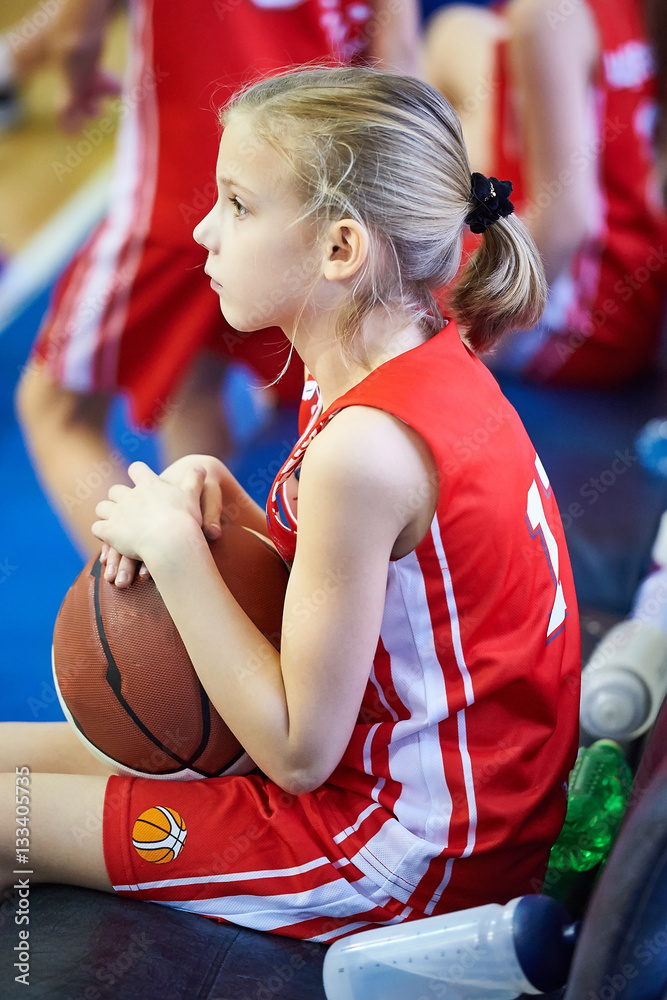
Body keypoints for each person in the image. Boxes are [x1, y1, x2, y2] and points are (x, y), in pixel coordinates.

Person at [0, 66, 580, 941]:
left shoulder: (363, 449)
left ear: (339, 250)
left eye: (237, 204)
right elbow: (358, 584)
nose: (202, 229)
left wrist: (180, 555)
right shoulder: (388, 352)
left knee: (11, 821)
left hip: (399, 853)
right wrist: (223, 497)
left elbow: (299, 753)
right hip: (435, 795)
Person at [15, 0, 420, 558]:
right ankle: (232, 605)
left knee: (54, 408)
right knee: (197, 384)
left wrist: (75, 69)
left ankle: (164, 614)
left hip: (183, 194)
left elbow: (78, 31)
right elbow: (398, 66)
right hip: (315, 206)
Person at [423, 0, 667, 385]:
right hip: (635, 299)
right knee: (455, 31)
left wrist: (470, 341)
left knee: (384, 298)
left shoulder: (546, 16)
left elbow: (566, 224)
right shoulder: (625, 11)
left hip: (582, 316)